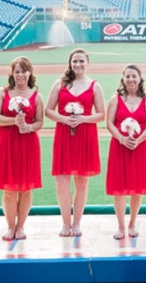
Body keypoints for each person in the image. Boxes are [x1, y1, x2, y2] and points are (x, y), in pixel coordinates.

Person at [45, 48, 105, 237]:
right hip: (64, 135)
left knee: (81, 180)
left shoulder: (95, 86)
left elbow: (101, 114)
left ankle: (77, 223)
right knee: (62, 181)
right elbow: (48, 110)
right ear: (70, 63)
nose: (78, 65)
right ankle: (65, 222)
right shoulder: (59, 84)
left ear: (88, 63)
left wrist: (82, 119)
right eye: (74, 62)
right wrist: (64, 118)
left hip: (85, 135)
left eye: (81, 61)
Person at [0, 56, 43, 241]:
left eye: (23, 71)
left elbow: (39, 122)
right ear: (12, 73)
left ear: (30, 73)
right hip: (6, 142)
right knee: (9, 188)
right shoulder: (3, 92)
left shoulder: (36, 96)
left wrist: (28, 127)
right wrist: (14, 121)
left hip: (27, 143)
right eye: (17, 71)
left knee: (26, 188)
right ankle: (10, 227)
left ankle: (21, 226)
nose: (20, 75)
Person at [105, 64, 146, 239]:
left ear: (140, 78)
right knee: (119, 188)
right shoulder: (115, 99)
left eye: (134, 76)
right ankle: (120, 226)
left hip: (139, 148)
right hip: (119, 147)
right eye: (127, 76)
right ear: (123, 79)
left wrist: (138, 140)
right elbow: (109, 123)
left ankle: (133, 223)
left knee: (137, 188)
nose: (131, 79)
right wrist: (121, 138)